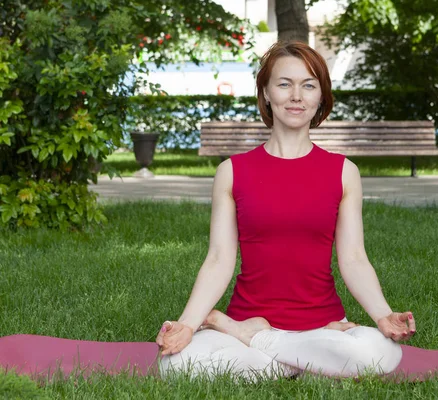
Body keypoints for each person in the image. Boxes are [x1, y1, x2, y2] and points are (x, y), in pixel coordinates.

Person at [156, 41, 416, 380]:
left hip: (321, 327)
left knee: (382, 351)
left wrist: (383, 316)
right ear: (265, 92)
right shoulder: (232, 171)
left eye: (308, 85)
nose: (296, 96)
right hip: (256, 317)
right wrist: (188, 325)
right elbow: (219, 259)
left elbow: (353, 258)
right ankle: (309, 364)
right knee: (175, 365)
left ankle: (259, 339)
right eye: (284, 84)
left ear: (321, 96)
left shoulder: (343, 172)